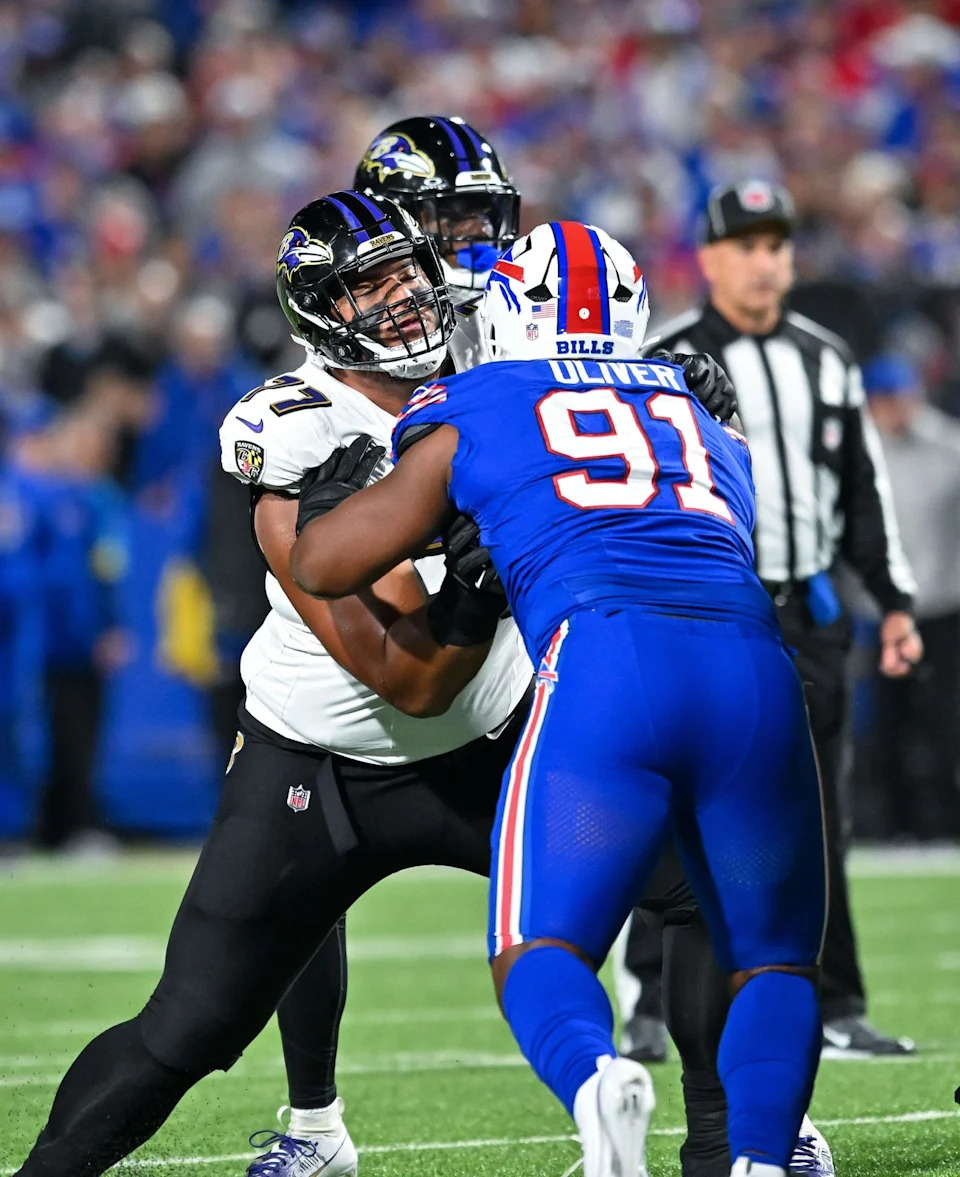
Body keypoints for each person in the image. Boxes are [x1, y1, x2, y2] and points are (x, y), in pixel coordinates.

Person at [10, 193, 736, 1177]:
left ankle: (733, 1145)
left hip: (496, 741)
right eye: (366, 285)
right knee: (188, 1026)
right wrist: (476, 589)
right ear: (318, 312)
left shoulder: (491, 356)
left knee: (709, 885)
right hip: (320, 770)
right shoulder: (295, 435)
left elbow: (593, 379)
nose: (400, 298)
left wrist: (670, 395)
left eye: (406, 272)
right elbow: (407, 677)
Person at [287, 219, 830, 1177]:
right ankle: (761, 1157)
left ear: (505, 313)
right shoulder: (702, 416)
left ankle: (594, 1080)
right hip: (754, 670)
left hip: (609, 662)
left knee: (537, 944)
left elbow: (325, 564)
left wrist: (339, 502)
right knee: (775, 958)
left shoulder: (479, 397)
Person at [617, 180, 922, 1060]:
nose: (764, 263)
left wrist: (894, 602)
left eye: (776, 246)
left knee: (823, 813)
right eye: (746, 246)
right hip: (709, 613)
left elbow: (861, 487)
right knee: (680, 807)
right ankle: (650, 999)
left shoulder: (826, 357)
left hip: (811, 612)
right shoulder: (665, 358)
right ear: (709, 258)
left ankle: (835, 1002)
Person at [852, 355, 960, 840]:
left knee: (943, 719)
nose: (894, 408)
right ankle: (891, 821)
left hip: (942, 606)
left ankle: (944, 819)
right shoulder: (854, 450)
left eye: (901, 397)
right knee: (886, 722)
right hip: (878, 611)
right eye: (885, 399)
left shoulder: (949, 446)